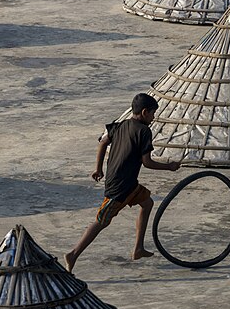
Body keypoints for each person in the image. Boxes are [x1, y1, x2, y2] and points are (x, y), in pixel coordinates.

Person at [65, 93, 180, 272]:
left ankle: (138, 249)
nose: (154, 117)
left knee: (147, 203)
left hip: (127, 183)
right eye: (152, 114)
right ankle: (73, 254)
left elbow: (103, 143)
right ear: (144, 112)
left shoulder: (120, 125)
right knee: (101, 221)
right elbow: (147, 162)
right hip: (120, 187)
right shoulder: (144, 131)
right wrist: (169, 166)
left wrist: (98, 168)